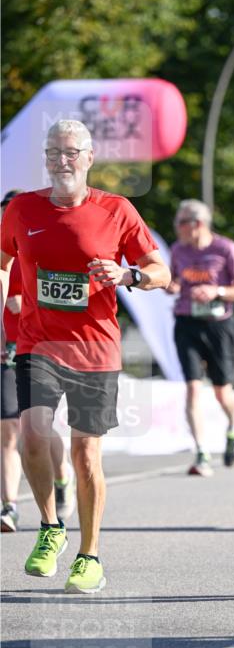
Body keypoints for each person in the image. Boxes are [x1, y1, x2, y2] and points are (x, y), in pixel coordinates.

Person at [0, 119, 170, 593]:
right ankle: (51, 527)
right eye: (53, 152)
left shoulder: (116, 210)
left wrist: (129, 275)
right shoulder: (21, 209)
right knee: (32, 435)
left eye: (71, 152)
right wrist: (5, 305)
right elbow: (2, 263)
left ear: (89, 158)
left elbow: (162, 272)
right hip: (38, 342)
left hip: (96, 348)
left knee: (85, 453)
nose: (62, 161)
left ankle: (89, 554)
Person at [1, 191, 74, 532]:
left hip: (37, 344)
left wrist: (25, 300)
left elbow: (60, 291)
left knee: (38, 428)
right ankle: (10, 506)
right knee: (9, 430)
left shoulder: (37, 248)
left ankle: (62, 479)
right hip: (5, 349)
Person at [168, 199, 234, 476]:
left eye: (180, 222)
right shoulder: (177, 251)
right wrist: (171, 286)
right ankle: (202, 452)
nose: (176, 228)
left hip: (219, 326)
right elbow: (173, 281)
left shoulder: (225, 249)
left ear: (198, 224)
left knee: (221, 392)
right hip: (187, 323)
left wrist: (216, 291)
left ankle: (233, 429)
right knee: (193, 388)